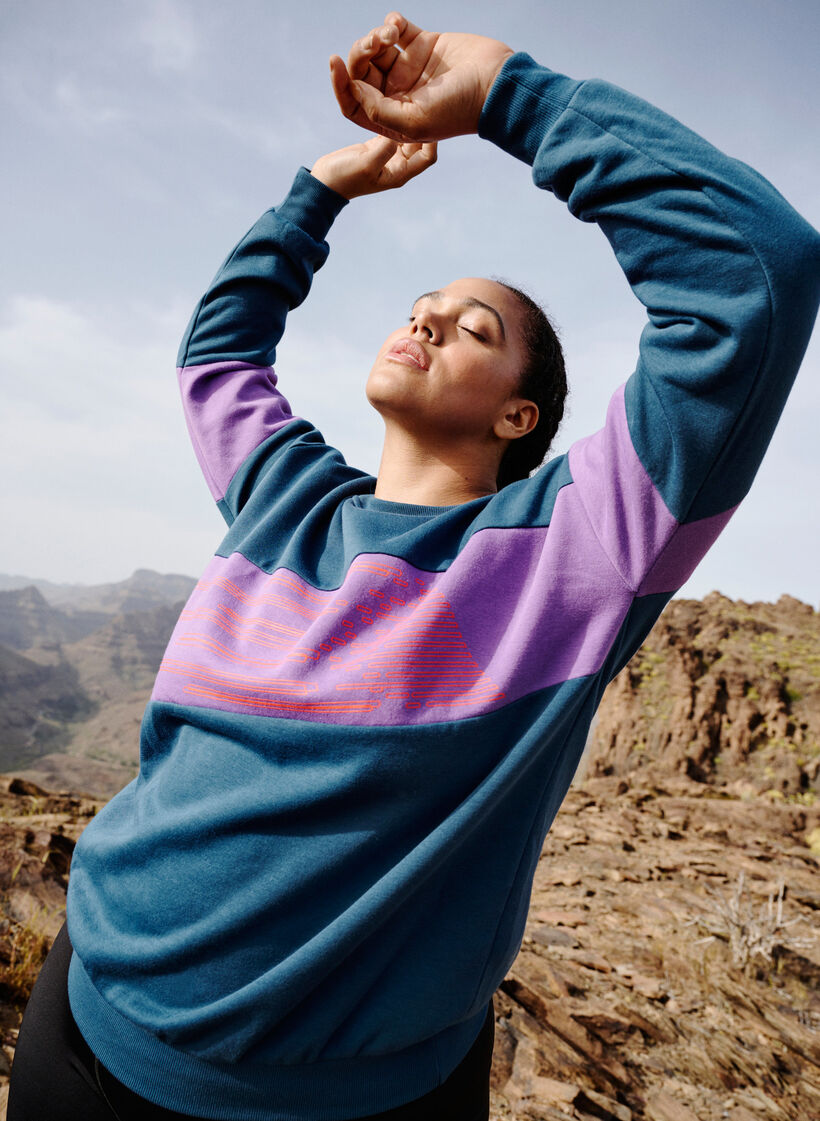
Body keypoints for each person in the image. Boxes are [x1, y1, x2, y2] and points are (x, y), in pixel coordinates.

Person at [8, 12, 819, 1121]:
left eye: (472, 328)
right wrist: (317, 194)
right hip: (81, 1019)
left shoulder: (572, 552)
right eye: (418, 310)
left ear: (520, 415)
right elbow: (218, 354)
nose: (427, 322)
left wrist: (504, 96)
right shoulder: (285, 496)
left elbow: (755, 271)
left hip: (354, 1098)